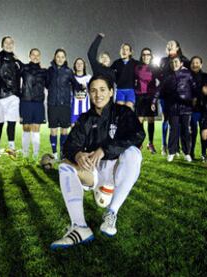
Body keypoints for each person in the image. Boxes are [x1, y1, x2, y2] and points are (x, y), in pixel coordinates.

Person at [51, 75, 145, 250]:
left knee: (133, 152)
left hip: (118, 170)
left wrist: (105, 149)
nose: (98, 94)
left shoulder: (123, 113)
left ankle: (111, 213)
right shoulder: (85, 118)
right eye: (93, 90)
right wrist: (78, 154)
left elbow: (138, 136)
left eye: (102, 89)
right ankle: (80, 227)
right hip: (94, 171)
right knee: (65, 166)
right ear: (89, 93)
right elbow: (70, 145)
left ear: (111, 92)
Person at [46, 49, 83, 160]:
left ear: (65, 58)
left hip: (65, 105)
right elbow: (47, 84)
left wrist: (84, 86)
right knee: (53, 130)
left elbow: (76, 85)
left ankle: (62, 152)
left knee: (64, 130)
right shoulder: (50, 71)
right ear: (54, 57)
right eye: (58, 56)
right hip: (52, 104)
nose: (60, 59)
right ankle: (55, 154)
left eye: (62, 57)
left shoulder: (68, 71)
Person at [158, 56, 195, 162]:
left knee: (185, 131)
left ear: (181, 63)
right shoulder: (168, 77)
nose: (174, 64)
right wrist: (154, 101)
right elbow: (160, 89)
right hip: (173, 108)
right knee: (173, 130)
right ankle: (172, 152)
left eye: (176, 62)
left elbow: (194, 87)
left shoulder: (187, 74)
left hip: (186, 107)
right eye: (172, 62)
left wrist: (195, 99)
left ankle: (186, 152)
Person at [0, 36, 23, 162]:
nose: (9, 44)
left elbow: (21, 75)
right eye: (6, 42)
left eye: (11, 42)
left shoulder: (16, 61)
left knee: (12, 123)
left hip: (14, 96)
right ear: (2, 44)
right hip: (0, 95)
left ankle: (11, 148)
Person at [19, 48, 47, 160]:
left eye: (37, 55)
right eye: (33, 55)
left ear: (40, 57)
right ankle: (25, 155)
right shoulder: (24, 68)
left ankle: (35, 156)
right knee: (26, 129)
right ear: (29, 56)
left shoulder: (44, 72)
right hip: (26, 102)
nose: (35, 57)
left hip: (38, 103)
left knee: (36, 129)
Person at [135, 48, 160, 154]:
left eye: (148, 54)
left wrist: (156, 94)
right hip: (140, 97)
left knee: (151, 120)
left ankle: (150, 143)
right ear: (141, 56)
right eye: (144, 54)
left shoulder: (155, 68)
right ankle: (139, 143)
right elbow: (131, 79)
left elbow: (162, 81)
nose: (146, 56)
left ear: (151, 56)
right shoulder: (137, 67)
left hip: (151, 97)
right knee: (139, 121)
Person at [189, 56, 207, 160]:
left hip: (204, 109)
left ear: (201, 64)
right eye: (193, 63)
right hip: (192, 109)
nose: (195, 65)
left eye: (197, 63)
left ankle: (203, 153)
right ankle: (191, 153)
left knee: (204, 132)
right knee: (193, 132)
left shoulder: (206, 76)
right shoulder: (187, 76)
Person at [110, 43, 139, 109]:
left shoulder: (135, 63)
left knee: (129, 110)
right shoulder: (116, 62)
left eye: (127, 50)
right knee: (120, 111)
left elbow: (144, 69)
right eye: (123, 49)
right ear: (120, 51)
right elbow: (109, 73)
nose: (124, 51)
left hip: (131, 90)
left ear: (130, 52)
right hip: (120, 90)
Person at [71, 58, 92, 125]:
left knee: (85, 129)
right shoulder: (71, 77)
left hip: (85, 109)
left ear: (84, 66)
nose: (79, 65)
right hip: (74, 108)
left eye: (81, 63)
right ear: (74, 65)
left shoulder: (88, 77)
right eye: (77, 63)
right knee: (73, 129)